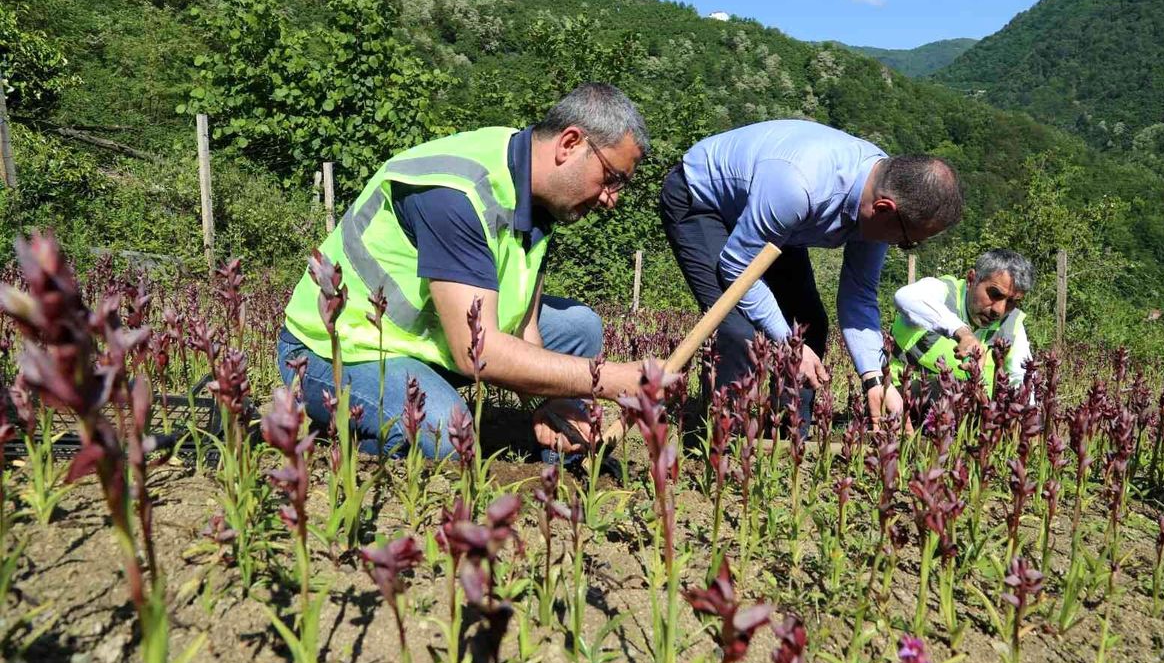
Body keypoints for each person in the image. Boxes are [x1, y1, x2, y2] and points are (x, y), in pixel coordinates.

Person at [277, 83, 651, 459]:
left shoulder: (540, 193)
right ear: (570, 143)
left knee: (578, 328)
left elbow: (525, 325)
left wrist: (552, 400)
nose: (612, 199)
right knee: (444, 430)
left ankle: (566, 463)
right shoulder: (456, 193)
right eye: (611, 177)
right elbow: (477, 350)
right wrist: (611, 380)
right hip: (338, 350)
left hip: (431, 338)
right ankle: (330, 427)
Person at [660, 119, 963, 422]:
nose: (901, 246)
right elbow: (738, 265)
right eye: (907, 242)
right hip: (702, 201)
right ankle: (720, 436)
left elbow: (858, 293)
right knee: (739, 330)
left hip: (774, 224)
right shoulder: (799, 186)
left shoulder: (883, 193)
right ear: (884, 209)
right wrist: (789, 345)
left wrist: (874, 380)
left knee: (809, 323)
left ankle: (788, 431)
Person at [890, 249, 1033, 397]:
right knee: (947, 387)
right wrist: (963, 333)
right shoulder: (943, 291)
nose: (999, 310)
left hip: (973, 414)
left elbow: (1021, 381)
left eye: (1012, 302)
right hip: (898, 406)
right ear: (971, 279)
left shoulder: (1012, 323)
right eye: (995, 294)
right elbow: (905, 297)